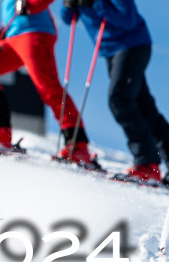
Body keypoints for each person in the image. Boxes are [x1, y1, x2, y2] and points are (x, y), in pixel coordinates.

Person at [0, 0, 99, 168]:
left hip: (34, 32)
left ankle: (78, 146)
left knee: (48, 88)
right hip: (12, 37)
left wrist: (29, 4)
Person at [62, 0, 169, 185]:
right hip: (112, 52)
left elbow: (128, 19)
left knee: (119, 99)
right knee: (144, 106)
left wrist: (95, 3)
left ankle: (147, 163)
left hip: (132, 45)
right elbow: (67, 18)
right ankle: (150, 162)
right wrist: (69, 5)